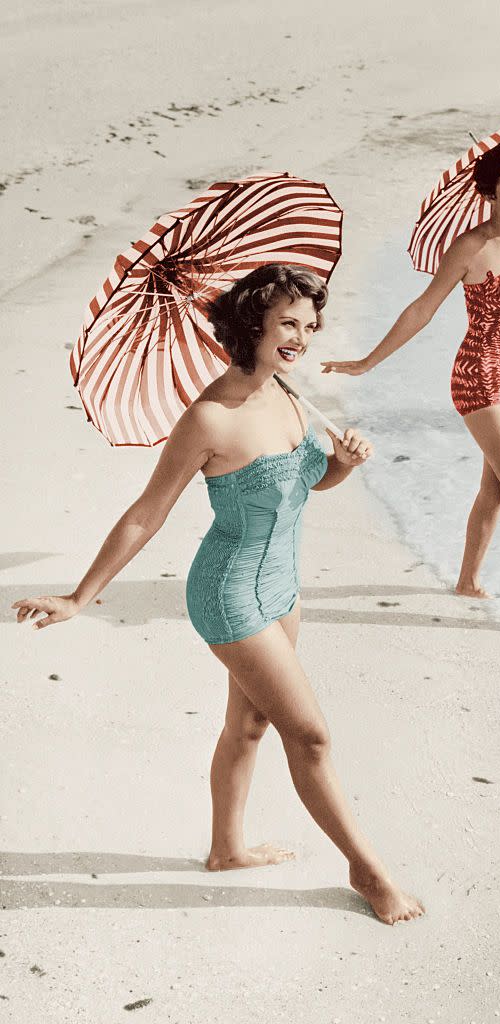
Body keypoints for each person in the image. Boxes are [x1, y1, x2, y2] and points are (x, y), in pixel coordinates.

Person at [12, 263, 423, 926]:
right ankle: (368, 871)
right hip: (229, 593)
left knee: (250, 724)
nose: (301, 335)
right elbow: (147, 513)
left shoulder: (288, 392)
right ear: (251, 322)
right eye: (288, 322)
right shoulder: (209, 416)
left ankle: (225, 850)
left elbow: (306, 482)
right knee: (311, 736)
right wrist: (79, 598)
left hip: (284, 587)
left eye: (310, 324)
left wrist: (341, 462)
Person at [321, 145, 500, 632]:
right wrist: (368, 362)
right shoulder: (471, 247)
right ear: (490, 193)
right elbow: (422, 309)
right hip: (479, 373)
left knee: (495, 487)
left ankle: (468, 581)